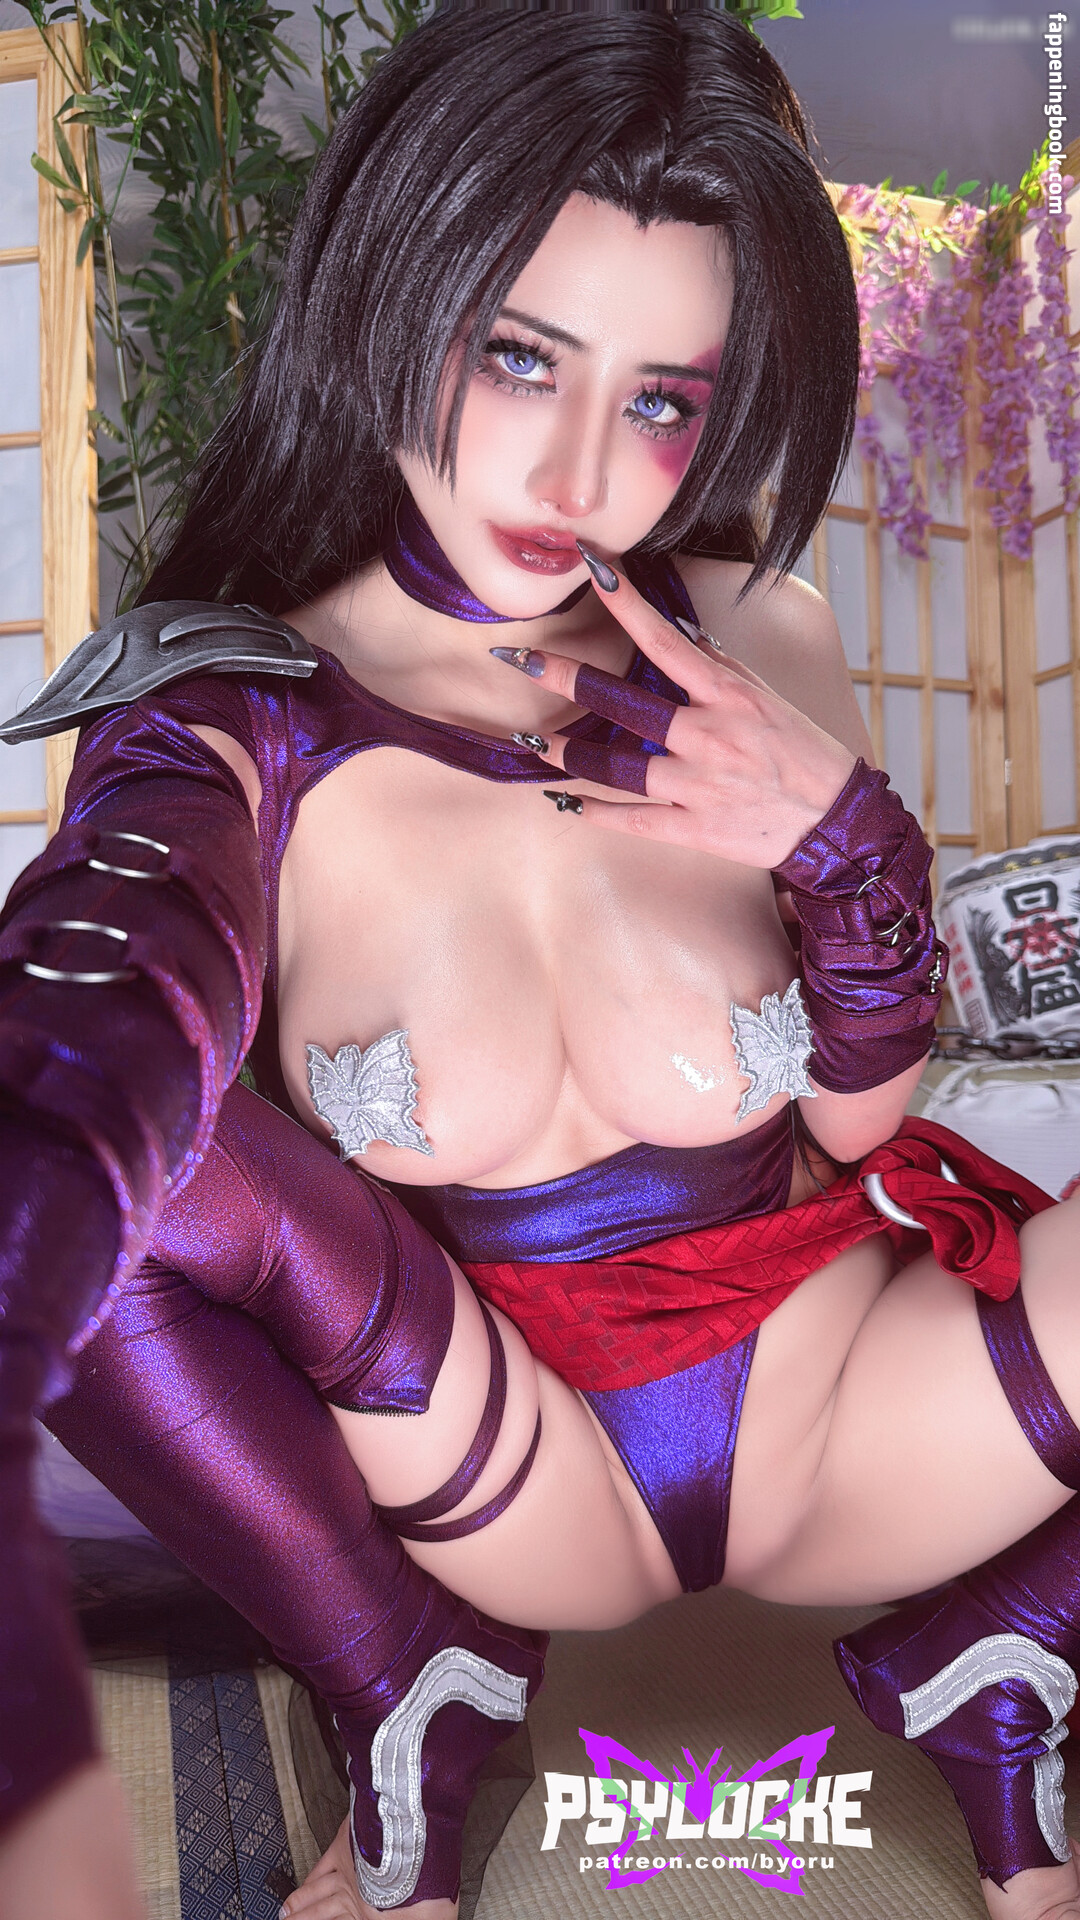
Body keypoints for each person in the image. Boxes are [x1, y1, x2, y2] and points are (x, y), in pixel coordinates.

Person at [2, 8, 1079, 1920]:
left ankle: (1004, 1668)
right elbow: (113, 990)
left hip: (859, 1420)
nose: (581, 472)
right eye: (519, 358)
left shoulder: (755, 630)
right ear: (390, 293)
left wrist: (845, 846)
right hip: (517, 1475)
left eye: (663, 400)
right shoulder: (231, 723)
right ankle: (404, 1687)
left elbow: (859, 1125)